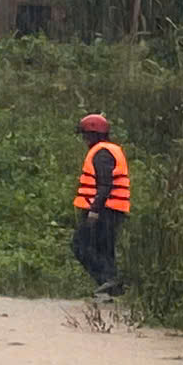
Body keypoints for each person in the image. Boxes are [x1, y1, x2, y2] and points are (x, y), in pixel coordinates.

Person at [71, 113, 130, 296]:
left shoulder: (101, 153)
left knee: (80, 245)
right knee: (104, 248)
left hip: (104, 210)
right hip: (112, 209)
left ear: (94, 134)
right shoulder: (111, 150)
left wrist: (94, 211)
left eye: (86, 135)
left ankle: (107, 281)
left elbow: (105, 185)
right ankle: (111, 288)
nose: (85, 139)